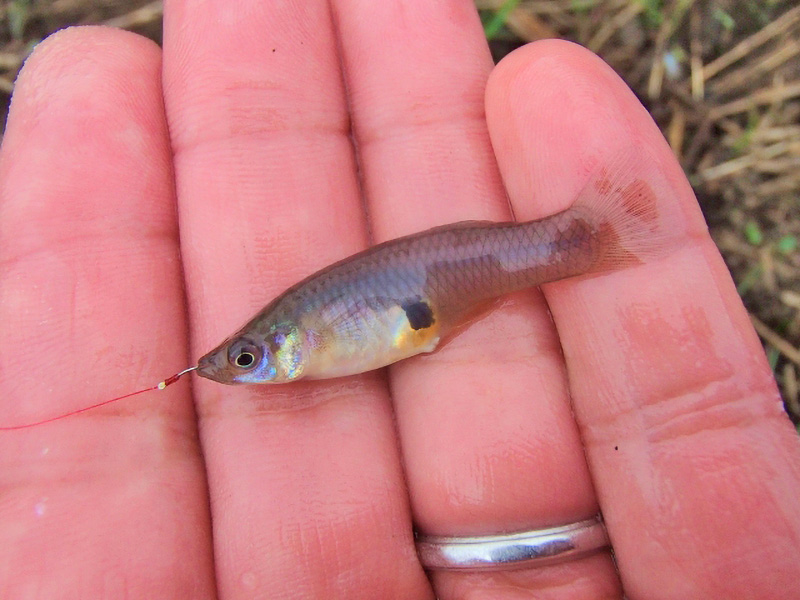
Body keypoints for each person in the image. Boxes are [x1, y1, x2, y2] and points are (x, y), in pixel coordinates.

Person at [1, 3, 797, 599]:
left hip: (424, 299)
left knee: (520, 250)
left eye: (249, 358)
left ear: (280, 343)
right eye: (244, 359)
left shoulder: (312, 331)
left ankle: (584, 239)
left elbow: (388, 329)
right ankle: (581, 239)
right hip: (419, 305)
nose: (244, 370)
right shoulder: (304, 340)